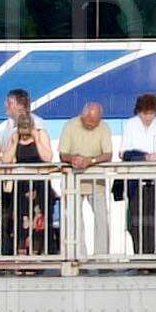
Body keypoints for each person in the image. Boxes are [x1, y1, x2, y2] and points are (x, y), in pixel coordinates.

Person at [0, 89, 55, 257]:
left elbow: (48, 157)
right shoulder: (11, 130)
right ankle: (19, 254)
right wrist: (15, 141)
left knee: (38, 221)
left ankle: (37, 254)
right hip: (20, 185)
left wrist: (36, 138)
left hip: (38, 184)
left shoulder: (40, 130)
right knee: (20, 221)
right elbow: (6, 158)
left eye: (10, 103)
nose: (25, 129)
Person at [118, 93, 156, 259]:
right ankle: (139, 256)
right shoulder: (131, 124)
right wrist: (143, 156)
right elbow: (123, 152)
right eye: (145, 113)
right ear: (139, 111)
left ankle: (154, 255)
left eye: (152, 113)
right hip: (137, 180)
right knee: (137, 221)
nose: (148, 117)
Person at [58, 101, 114, 258]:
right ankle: (78, 256)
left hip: (96, 180)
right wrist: (73, 159)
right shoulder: (70, 125)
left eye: (95, 122)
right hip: (73, 180)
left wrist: (91, 161)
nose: (92, 125)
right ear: (83, 116)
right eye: (89, 122)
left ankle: (102, 257)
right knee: (74, 219)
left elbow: (108, 154)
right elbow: (63, 154)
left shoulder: (104, 127)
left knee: (102, 219)